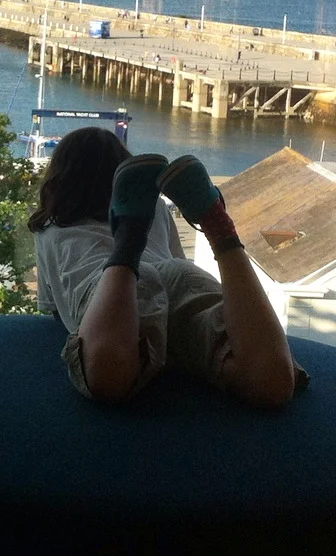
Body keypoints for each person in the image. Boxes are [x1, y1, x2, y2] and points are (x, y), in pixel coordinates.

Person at [28, 127, 304, 407]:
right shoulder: (156, 207)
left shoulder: (49, 226)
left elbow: (55, 310)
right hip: (178, 274)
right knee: (270, 382)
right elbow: (177, 266)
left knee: (107, 379)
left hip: (108, 289)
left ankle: (127, 246)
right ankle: (218, 226)